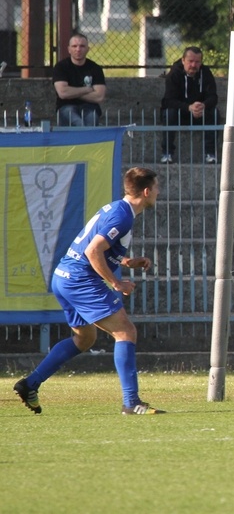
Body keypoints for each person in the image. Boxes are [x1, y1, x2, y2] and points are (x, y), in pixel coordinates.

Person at [13, 167, 166, 415]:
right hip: (79, 280)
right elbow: (92, 251)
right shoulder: (122, 216)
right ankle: (131, 402)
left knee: (85, 339)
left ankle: (30, 384)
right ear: (146, 191)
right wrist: (117, 284)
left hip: (63, 277)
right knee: (125, 331)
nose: (158, 192)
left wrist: (126, 262)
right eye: (157, 188)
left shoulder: (118, 209)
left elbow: (98, 244)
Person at [160, 46, 219, 164]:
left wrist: (203, 105)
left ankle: (210, 153)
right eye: (190, 61)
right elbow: (168, 100)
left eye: (197, 62)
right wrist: (188, 107)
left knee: (214, 113)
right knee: (169, 113)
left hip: (199, 112)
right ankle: (167, 153)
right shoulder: (174, 74)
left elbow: (213, 96)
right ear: (183, 60)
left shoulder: (205, 73)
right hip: (180, 112)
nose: (193, 65)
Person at [53, 32, 106, 126]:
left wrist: (72, 92)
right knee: (78, 124)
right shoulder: (61, 67)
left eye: (82, 46)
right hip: (66, 106)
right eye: (74, 46)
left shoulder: (95, 68)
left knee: (90, 122)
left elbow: (99, 96)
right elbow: (63, 93)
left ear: (88, 49)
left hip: (90, 107)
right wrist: (87, 89)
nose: (78, 49)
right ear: (69, 49)